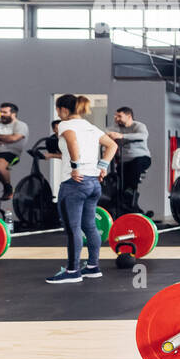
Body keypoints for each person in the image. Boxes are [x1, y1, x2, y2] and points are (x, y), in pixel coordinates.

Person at [47, 94, 117, 284]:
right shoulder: (90, 126)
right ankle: (93, 267)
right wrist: (102, 167)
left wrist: (75, 166)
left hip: (74, 183)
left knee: (73, 228)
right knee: (90, 226)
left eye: (57, 109)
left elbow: (72, 142)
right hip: (93, 181)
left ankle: (72, 271)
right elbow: (112, 145)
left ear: (63, 109)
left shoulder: (64, 124)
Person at [106, 107, 150, 213]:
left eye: (119, 116)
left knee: (133, 169)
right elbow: (106, 131)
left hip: (141, 158)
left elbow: (143, 136)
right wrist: (108, 134)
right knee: (119, 184)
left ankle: (130, 191)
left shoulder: (138, 126)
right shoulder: (117, 127)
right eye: (115, 116)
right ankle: (132, 208)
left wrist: (122, 136)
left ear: (129, 116)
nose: (116, 118)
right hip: (124, 162)